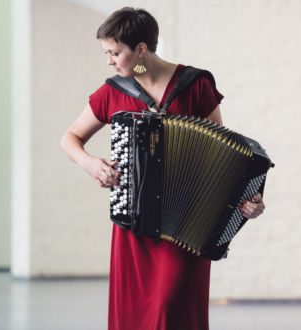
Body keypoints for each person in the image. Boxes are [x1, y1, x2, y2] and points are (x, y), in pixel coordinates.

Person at [60, 7, 265, 330]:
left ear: (141, 49)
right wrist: (90, 163)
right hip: (133, 224)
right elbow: (70, 138)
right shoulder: (113, 92)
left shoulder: (196, 85)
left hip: (187, 222)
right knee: (134, 313)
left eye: (116, 52)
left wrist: (246, 200)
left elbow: (224, 156)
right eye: (107, 53)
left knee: (171, 307)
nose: (110, 61)